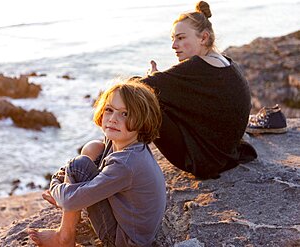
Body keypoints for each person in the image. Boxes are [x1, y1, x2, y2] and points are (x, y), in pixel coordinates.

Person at [28, 79, 166, 247]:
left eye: (125, 114)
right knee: (93, 148)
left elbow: (70, 196)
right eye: (109, 110)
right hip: (128, 224)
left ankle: (64, 237)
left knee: (78, 167)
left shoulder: (127, 163)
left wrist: (57, 189)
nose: (113, 119)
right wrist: (65, 189)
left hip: (124, 242)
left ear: (143, 120)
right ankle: (73, 206)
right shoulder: (120, 142)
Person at [140, 1, 257, 179]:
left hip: (201, 159)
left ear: (203, 38)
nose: (173, 45)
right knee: (154, 94)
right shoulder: (223, 62)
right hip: (223, 154)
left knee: (142, 100)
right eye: (173, 39)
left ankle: (119, 164)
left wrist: (153, 78)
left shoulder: (196, 66)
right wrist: (158, 80)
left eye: (180, 38)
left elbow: (133, 87)